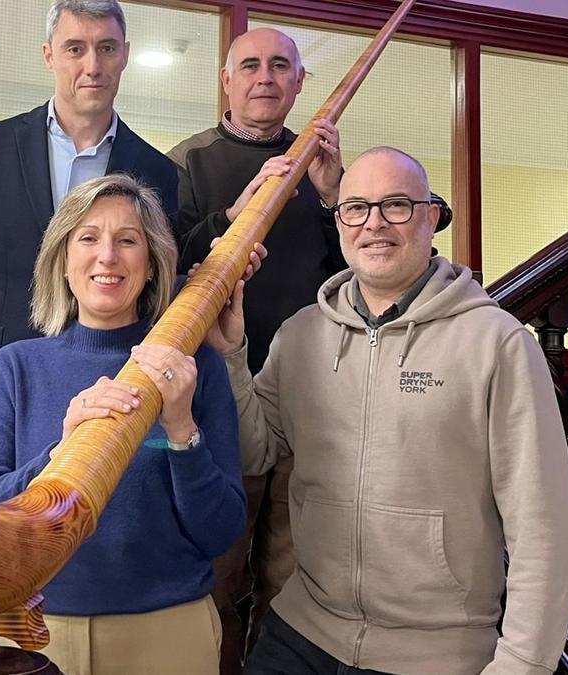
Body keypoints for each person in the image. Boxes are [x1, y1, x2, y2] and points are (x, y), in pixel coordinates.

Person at [206, 147, 568, 674]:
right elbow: (256, 450)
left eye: (397, 205)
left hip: (435, 655)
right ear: (340, 221)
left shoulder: (497, 344)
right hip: (300, 634)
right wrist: (229, 354)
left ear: (431, 217)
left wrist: (523, 663)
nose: (374, 223)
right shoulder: (301, 335)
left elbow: (545, 526)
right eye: (356, 207)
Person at [0, 173, 246, 674]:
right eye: (88, 238)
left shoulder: (193, 367)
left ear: (152, 264)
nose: (107, 257)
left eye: (128, 241)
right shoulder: (15, 368)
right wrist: (60, 455)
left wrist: (182, 430)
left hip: (169, 634)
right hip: (35, 631)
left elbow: (221, 532)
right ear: (62, 260)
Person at [0, 0, 178, 480]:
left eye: (106, 48)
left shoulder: (157, 171)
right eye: (75, 48)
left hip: (112, 397)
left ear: (124, 54)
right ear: (49, 55)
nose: (93, 65)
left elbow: (157, 285)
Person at [168, 28, 346, 672]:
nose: (264, 77)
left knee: (293, 582)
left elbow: (359, 277)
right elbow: (163, 273)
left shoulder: (325, 169)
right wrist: (233, 216)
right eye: (249, 65)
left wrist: (333, 198)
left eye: (279, 66)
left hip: (311, 400)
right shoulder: (185, 162)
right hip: (217, 400)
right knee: (217, 578)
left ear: (299, 82)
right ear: (226, 81)